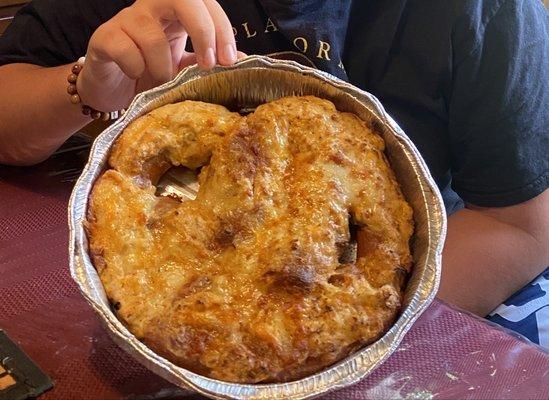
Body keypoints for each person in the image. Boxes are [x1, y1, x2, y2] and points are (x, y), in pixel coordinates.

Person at [0, 0, 548, 344]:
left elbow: (523, 224)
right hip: (158, 274)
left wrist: (347, 337)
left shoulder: (485, 11)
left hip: (433, 272)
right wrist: (86, 87)